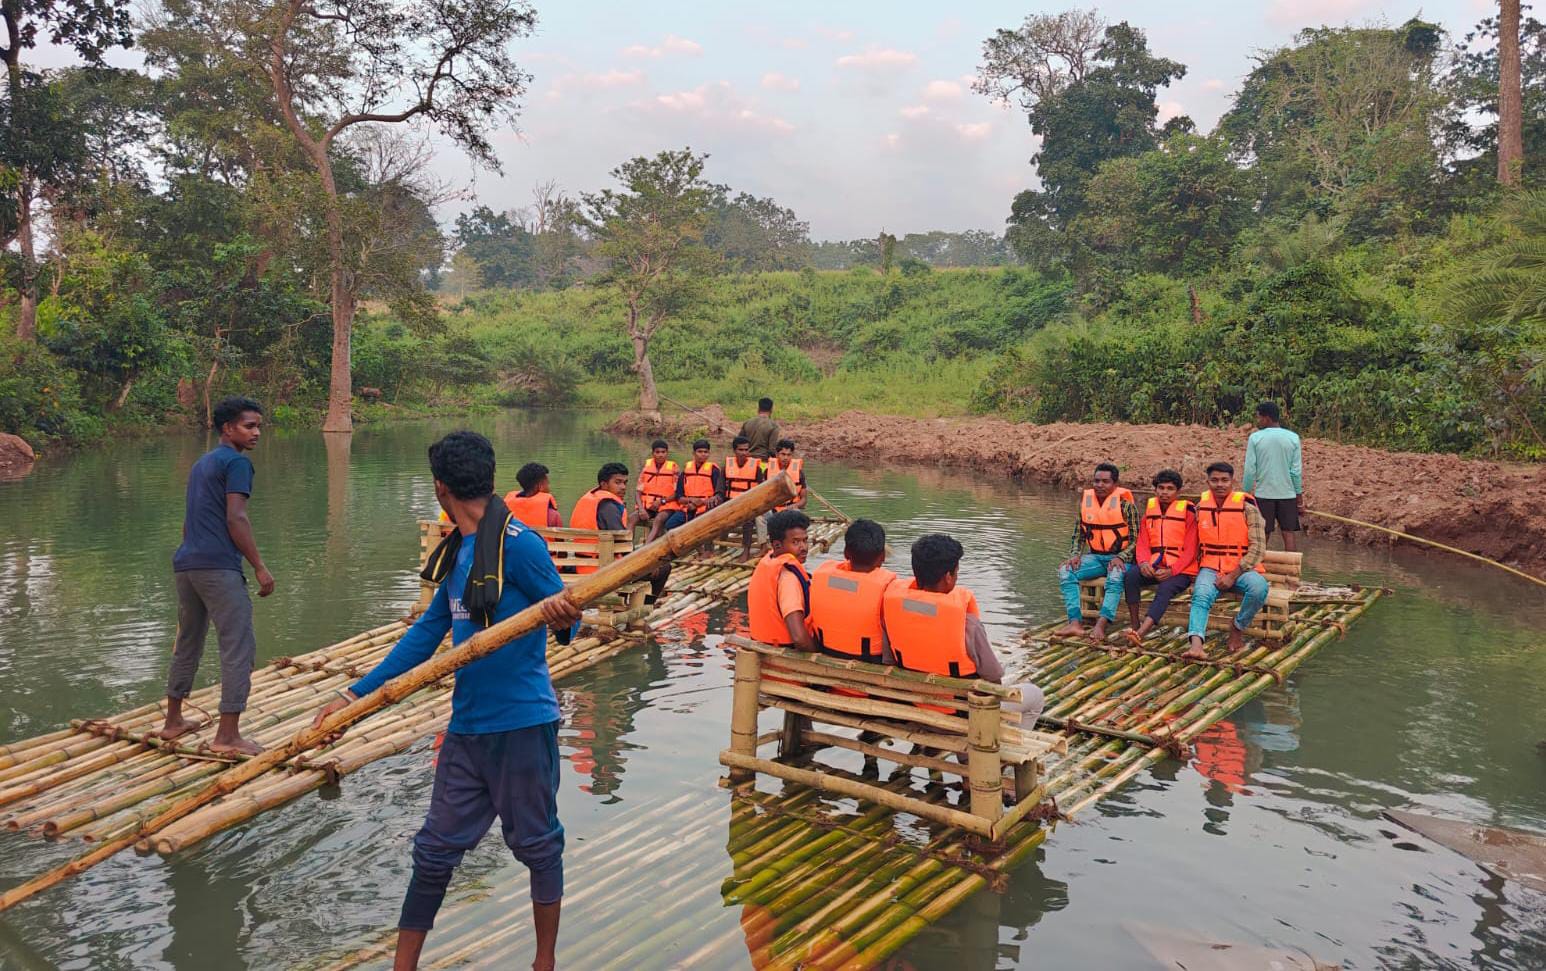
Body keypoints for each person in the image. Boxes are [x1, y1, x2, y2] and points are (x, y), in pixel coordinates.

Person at [312, 431, 582, 971]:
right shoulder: (461, 551)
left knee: (537, 845)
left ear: (440, 487)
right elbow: (427, 632)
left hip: (522, 726)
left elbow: (572, 619)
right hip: (467, 729)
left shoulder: (519, 544)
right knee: (434, 851)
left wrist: (564, 616)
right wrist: (354, 695)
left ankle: (544, 963)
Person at [155, 396, 275, 756]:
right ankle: (227, 736)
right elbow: (235, 518)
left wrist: (193, 552)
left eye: (258, 426)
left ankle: (173, 720)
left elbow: (188, 520)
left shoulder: (202, 463)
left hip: (187, 564)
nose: (256, 433)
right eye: (249, 426)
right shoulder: (237, 464)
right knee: (239, 646)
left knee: (188, 639)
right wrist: (259, 566)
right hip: (218, 567)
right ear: (228, 429)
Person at [882, 534, 1044, 726]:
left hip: (917, 707)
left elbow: (889, 661)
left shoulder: (891, 612)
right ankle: (1005, 753)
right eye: (957, 572)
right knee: (1035, 696)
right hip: (960, 715)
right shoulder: (967, 624)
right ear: (949, 576)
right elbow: (993, 679)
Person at [1184, 461, 1269, 660]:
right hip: (1210, 567)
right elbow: (1192, 543)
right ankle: (1196, 645)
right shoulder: (1200, 508)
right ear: (1208, 482)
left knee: (1259, 589)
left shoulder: (1248, 509)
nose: (1219, 484)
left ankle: (1237, 627)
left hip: (1242, 569)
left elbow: (1258, 548)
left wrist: (1233, 575)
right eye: (1214, 480)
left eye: (1224, 480)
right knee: (1201, 594)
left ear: (1232, 481)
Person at [747, 509, 815, 757]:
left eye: (805, 540)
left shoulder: (768, 563)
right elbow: (798, 637)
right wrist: (818, 656)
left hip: (768, 661)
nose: (803, 547)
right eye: (796, 542)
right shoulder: (788, 577)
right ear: (777, 544)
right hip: (786, 668)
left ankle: (802, 741)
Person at [1052, 463, 1140, 639]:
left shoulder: (1126, 506)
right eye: (1097, 481)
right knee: (1066, 571)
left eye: (1105, 481)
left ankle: (1101, 624)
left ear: (1115, 484)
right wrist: (1075, 555)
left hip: (1122, 559)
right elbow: (1079, 536)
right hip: (1096, 557)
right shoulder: (1086, 503)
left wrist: (1122, 557)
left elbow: (1137, 539)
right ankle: (1075, 622)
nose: (1100, 485)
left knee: (1115, 576)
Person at [1118, 469, 1199, 646]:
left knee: (1165, 588)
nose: (1164, 492)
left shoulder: (1188, 515)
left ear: (1178, 492)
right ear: (1155, 490)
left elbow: (1191, 550)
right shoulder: (1149, 514)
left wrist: (1172, 570)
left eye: (1170, 488)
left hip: (1180, 570)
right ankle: (1134, 624)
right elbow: (1142, 543)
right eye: (1161, 488)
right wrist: (1144, 563)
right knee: (1130, 576)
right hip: (1154, 564)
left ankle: (1140, 633)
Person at [572, 462, 671, 600]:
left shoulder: (589, 498)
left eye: (625, 482)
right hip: (601, 571)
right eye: (617, 482)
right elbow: (622, 545)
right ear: (604, 484)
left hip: (581, 565)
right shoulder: (608, 506)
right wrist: (647, 564)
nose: (623, 487)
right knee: (663, 567)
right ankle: (641, 611)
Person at [809, 518, 894, 664]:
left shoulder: (820, 576)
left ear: (846, 553)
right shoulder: (887, 589)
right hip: (868, 668)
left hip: (827, 661)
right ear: (883, 556)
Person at [1242, 400, 1304, 552]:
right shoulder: (1293, 438)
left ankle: (1258, 568)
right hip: (1287, 494)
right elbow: (1295, 472)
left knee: (1263, 532)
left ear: (1266, 418)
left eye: (1259, 417)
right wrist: (1299, 498)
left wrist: (1246, 494)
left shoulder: (1255, 438)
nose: (1258, 421)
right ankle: (1292, 571)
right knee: (1288, 532)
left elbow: (1250, 470)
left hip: (1264, 494)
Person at [724, 435, 766, 561]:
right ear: (734, 451)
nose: (744, 453)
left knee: (749, 520)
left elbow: (761, 490)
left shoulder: (757, 469)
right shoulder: (726, 467)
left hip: (749, 505)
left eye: (746, 450)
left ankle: (746, 550)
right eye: (740, 450)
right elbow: (720, 489)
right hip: (730, 504)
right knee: (713, 512)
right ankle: (710, 548)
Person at [636, 440, 684, 542]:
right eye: (657, 452)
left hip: (667, 506)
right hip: (649, 506)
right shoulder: (646, 467)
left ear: (667, 453)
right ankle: (627, 549)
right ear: (653, 453)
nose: (660, 455)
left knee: (658, 520)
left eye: (663, 452)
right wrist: (641, 509)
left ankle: (645, 549)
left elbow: (677, 493)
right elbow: (638, 492)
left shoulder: (674, 468)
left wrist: (661, 501)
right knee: (632, 518)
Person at [503, 462, 563, 529]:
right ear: (540, 486)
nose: (549, 488)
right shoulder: (552, 516)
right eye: (547, 484)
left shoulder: (504, 511)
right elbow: (560, 539)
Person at [676, 439, 725, 521]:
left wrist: (700, 503)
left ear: (709, 454)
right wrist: (692, 501)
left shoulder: (714, 470)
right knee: (670, 524)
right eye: (700, 452)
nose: (703, 454)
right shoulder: (686, 470)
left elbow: (718, 495)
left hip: (706, 507)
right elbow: (679, 496)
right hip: (688, 506)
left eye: (706, 452)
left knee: (697, 522)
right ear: (694, 453)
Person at [766, 439, 808, 513]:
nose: (786, 458)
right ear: (777, 454)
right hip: (772, 509)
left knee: (796, 513)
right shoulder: (767, 471)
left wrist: (793, 506)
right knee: (762, 515)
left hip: (791, 508)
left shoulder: (799, 473)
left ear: (792, 455)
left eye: (789, 455)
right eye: (783, 454)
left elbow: (803, 500)